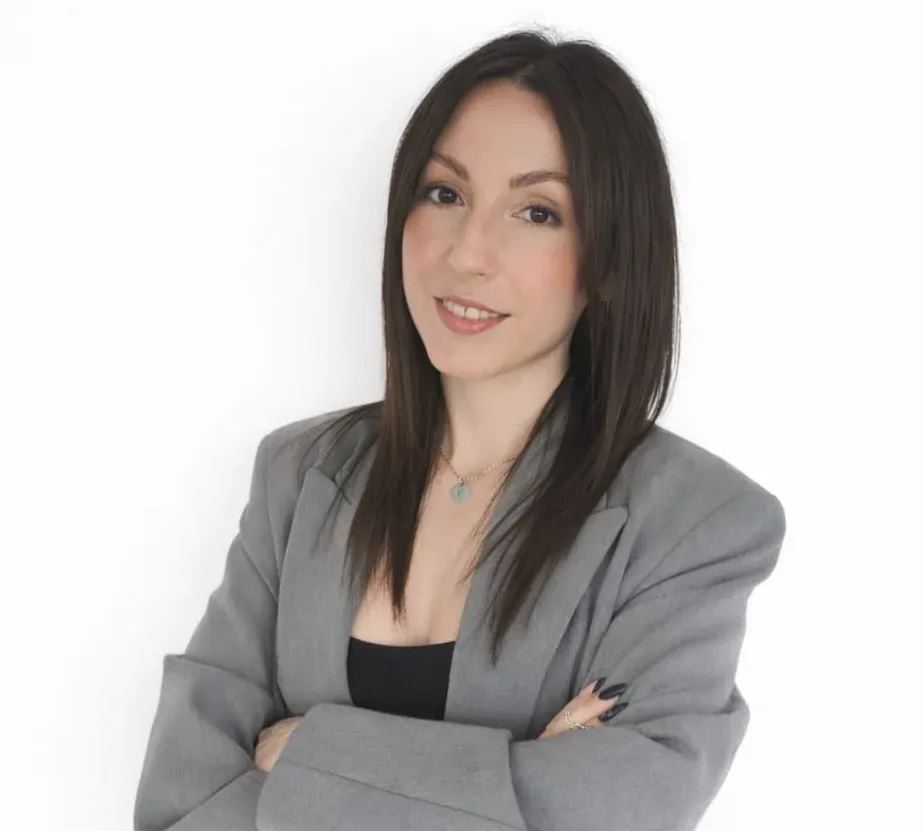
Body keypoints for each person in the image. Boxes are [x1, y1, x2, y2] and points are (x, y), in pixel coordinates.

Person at [134, 26, 787, 831]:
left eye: (537, 211)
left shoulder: (698, 519)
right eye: (443, 193)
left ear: (612, 261)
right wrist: (513, 772)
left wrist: (308, 751)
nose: (469, 251)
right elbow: (181, 798)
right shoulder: (299, 472)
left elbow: (625, 807)